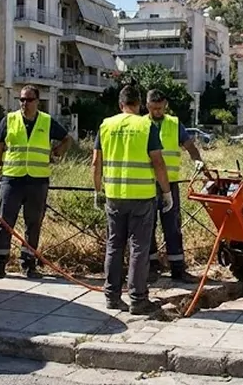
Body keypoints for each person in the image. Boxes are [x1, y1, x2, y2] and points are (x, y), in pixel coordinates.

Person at [92, 84, 172, 315]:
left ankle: (112, 297)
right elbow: (158, 162)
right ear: (139, 105)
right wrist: (166, 193)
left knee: (114, 246)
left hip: (114, 196)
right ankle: (138, 299)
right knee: (139, 249)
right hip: (142, 197)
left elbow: (96, 162)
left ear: (120, 104)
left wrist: (98, 191)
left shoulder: (106, 125)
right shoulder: (146, 125)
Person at [0, 85, 72, 279]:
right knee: (4, 221)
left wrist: (58, 151)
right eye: (22, 100)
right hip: (12, 179)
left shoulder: (46, 121)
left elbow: (67, 139)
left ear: (37, 101)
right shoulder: (9, 120)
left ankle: (28, 264)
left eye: (29, 100)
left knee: (33, 223)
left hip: (37, 180)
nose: (25, 103)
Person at [144, 89, 204, 284]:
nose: (157, 112)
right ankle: (152, 266)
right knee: (147, 225)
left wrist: (197, 160)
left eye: (160, 108)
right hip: (146, 184)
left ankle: (178, 269)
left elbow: (189, 145)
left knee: (173, 226)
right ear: (147, 106)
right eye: (153, 108)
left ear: (165, 105)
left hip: (170, 184)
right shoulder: (141, 124)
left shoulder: (174, 124)